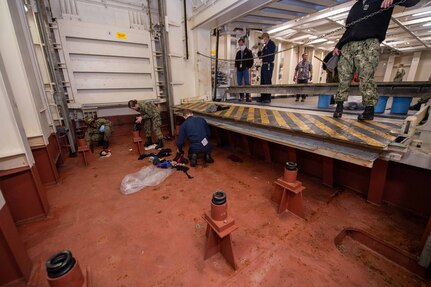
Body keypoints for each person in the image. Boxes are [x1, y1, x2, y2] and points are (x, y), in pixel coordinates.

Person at [332, 0, 420, 121]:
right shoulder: (356, 5)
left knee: (366, 76)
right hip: (348, 45)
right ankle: (339, 107)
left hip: (369, 42)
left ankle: (369, 110)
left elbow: (412, 2)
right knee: (343, 77)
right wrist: (338, 45)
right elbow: (349, 29)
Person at [257, 32, 276, 103]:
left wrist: (263, 49)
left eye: (264, 38)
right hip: (264, 65)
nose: (263, 40)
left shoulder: (271, 44)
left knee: (267, 81)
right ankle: (263, 97)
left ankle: (267, 98)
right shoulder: (264, 46)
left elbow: (268, 54)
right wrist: (260, 49)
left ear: (267, 37)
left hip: (268, 64)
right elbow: (260, 56)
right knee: (262, 81)